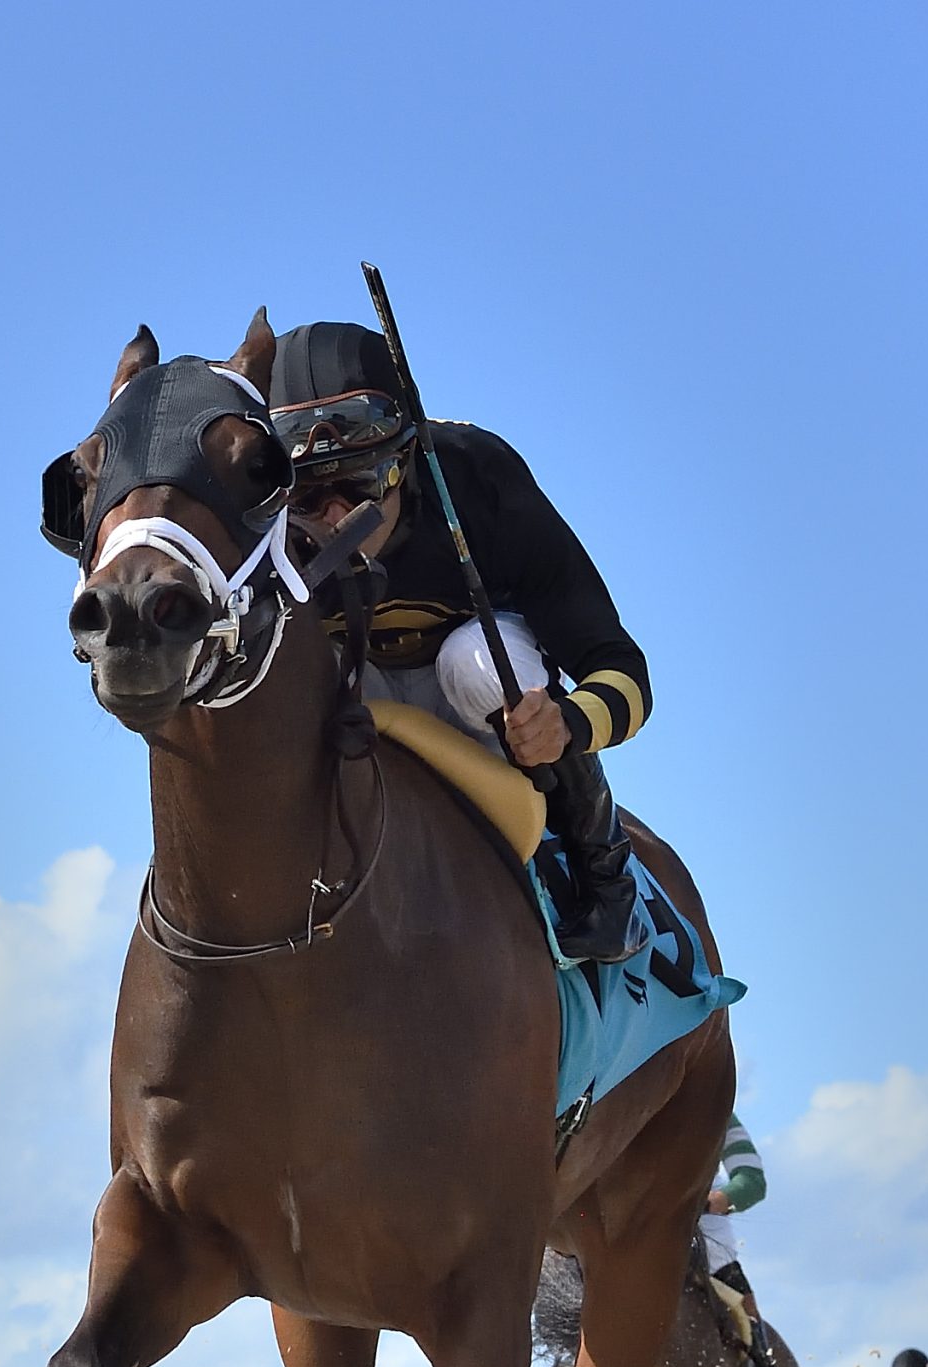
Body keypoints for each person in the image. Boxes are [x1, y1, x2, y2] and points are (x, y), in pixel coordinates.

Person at [267, 322, 649, 962]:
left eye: (359, 484)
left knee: (474, 657)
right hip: (352, 699)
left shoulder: (481, 479)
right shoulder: (259, 520)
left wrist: (567, 725)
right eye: (308, 494)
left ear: (407, 458)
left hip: (476, 701)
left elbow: (623, 672)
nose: (335, 517)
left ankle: (605, 876)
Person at [696, 1115, 777, 1367]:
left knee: (745, 1303)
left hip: (704, 1235)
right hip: (633, 1229)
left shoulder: (718, 1111)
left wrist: (713, 1201)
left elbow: (752, 1180)